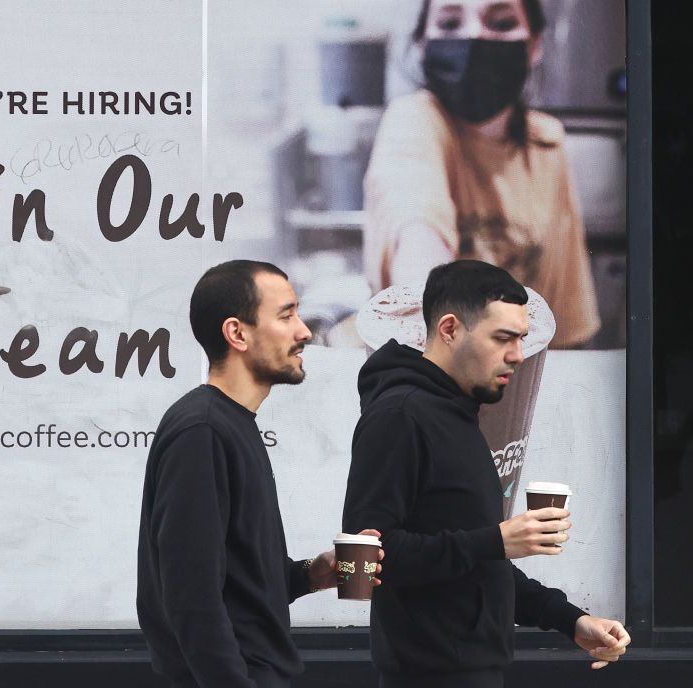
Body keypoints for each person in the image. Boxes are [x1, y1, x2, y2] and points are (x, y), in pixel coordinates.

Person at [342, 260, 629, 687]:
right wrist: (496, 539)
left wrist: (571, 621)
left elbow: (477, 564)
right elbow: (358, 564)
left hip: (474, 671)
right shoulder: (399, 416)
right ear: (450, 329)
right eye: (502, 338)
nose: (517, 354)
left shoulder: (458, 417)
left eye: (520, 338)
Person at [137, 260, 383, 688]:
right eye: (286, 316)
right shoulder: (203, 431)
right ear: (237, 333)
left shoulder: (228, 424)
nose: (305, 332)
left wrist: (310, 573)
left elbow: (233, 583)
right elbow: (190, 596)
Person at [363, 0, 600, 348]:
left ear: (534, 45)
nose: (473, 36)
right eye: (449, 23)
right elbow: (416, 225)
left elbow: (566, 313)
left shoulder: (546, 141)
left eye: (501, 22)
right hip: (427, 363)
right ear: (422, 44)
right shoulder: (413, 120)